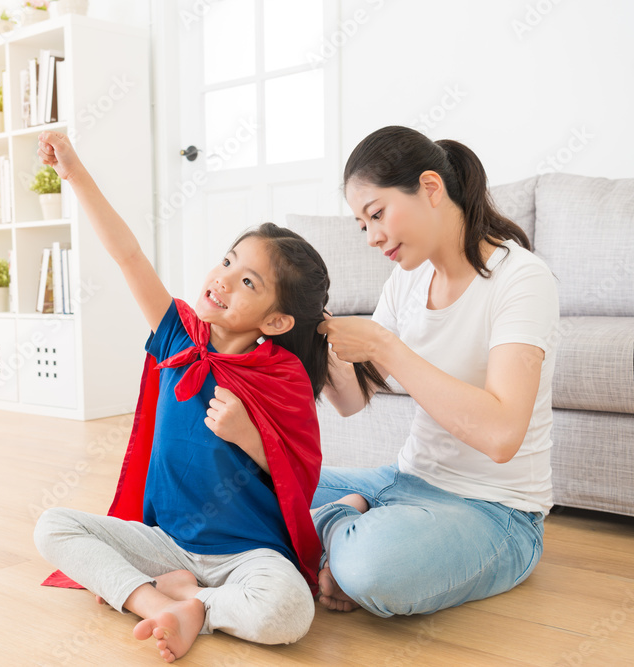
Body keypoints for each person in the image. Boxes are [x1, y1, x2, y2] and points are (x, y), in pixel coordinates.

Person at [31, 131, 352, 662]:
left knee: (290, 612)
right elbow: (128, 255)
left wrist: (248, 435)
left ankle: (187, 601)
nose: (223, 280)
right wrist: (75, 173)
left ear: (276, 321)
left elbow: (299, 475)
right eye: (227, 262)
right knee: (54, 528)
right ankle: (161, 602)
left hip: (247, 554)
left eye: (247, 282)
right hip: (166, 546)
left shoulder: (283, 375)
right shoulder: (177, 333)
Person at [306, 125, 558, 617]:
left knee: (374, 570)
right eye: (363, 225)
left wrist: (386, 345)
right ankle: (350, 523)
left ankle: (336, 530)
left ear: (430, 188)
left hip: (495, 510)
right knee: (254, 476)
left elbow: (502, 435)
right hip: (402, 481)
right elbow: (353, 399)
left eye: (376, 214)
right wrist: (308, 338)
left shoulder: (522, 278)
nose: (373, 237)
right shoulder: (407, 282)